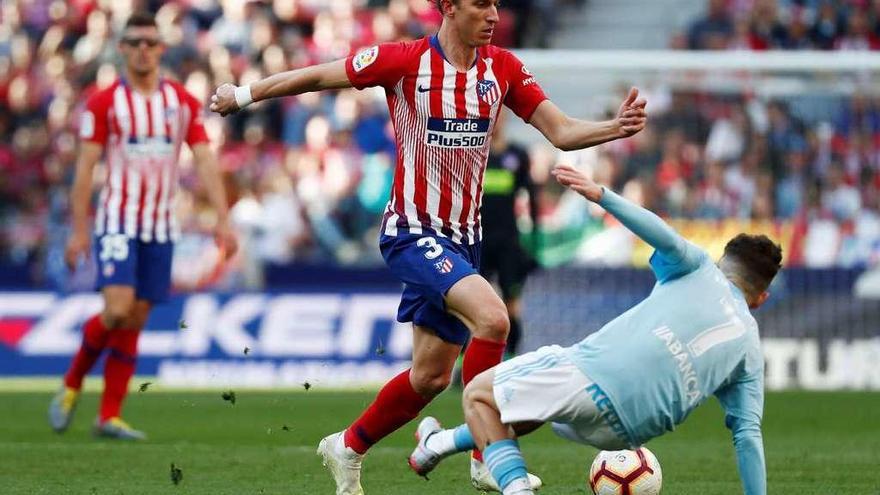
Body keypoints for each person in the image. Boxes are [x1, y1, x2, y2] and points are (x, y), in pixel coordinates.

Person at [210, 1, 646, 493]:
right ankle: (488, 455)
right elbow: (316, 77)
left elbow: (562, 131)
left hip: (465, 241)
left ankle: (347, 445)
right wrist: (244, 93)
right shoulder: (403, 60)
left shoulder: (502, 68)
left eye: (497, 5)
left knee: (430, 378)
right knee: (495, 319)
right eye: (481, 4)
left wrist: (615, 127)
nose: (493, 15)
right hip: (413, 231)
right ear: (449, 7)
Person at [407, 164, 781, 495]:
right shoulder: (749, 349)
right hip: (631, 433)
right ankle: (436, 444)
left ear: (721, 263)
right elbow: (748, 437)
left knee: (478, 395)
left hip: (598, 379)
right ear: (761, 297)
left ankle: (515, 488)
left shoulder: (700, 269)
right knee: (529, 398)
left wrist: (602, 195)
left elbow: (660, 233)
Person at [48, 12, 237, 440]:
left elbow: (206, 161)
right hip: (117, 221)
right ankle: (73, 382)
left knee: (134, 318)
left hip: (161, 226)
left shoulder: (181, 104)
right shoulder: (104, 102)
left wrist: (223, 221)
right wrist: (79, 230)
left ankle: (108, 416)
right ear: (122, 48)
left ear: (161, 49)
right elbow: (85, 170)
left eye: (150, 42)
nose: (143, 49)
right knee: (116, 309)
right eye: (134, 41)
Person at [479, 109, 539, 356]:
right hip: (476, 240)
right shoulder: (472, 154)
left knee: (511, 303)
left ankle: (513, 357)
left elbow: (531, 197)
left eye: (499, 115)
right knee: (472, 303)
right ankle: (463, 363)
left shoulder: (518, 155)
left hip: (508, 242)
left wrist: (534, 240)